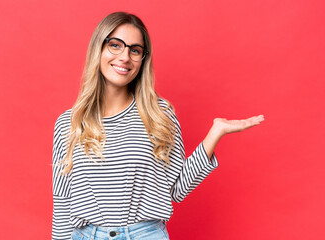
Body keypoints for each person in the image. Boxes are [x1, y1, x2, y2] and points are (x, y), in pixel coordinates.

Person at [52, 11, 264, 240]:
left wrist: (215, 134)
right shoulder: (68, 123)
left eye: (135, 50)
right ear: (99, 49)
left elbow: (177, 189)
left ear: (143, 59)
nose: (125, 57)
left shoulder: (158, 114)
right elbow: (62, 203)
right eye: (115, 45)